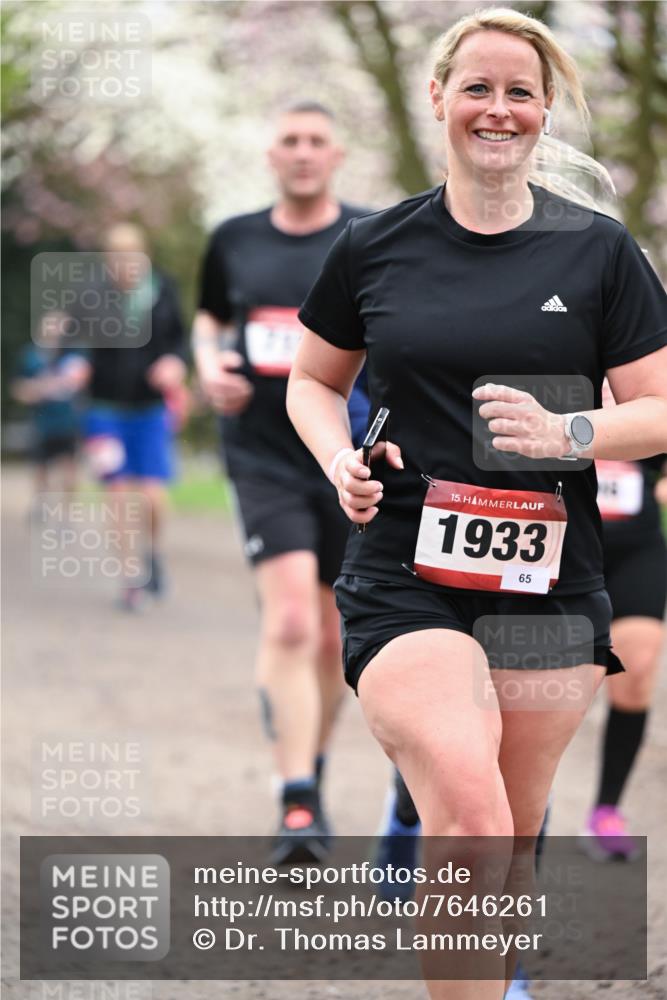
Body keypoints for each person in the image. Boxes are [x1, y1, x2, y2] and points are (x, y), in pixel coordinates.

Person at [286, 8, 667, 999]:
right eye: (478, 88)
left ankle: (496, 975)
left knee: (513, 823)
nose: (497, 109)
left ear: (546, 111)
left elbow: (660, 407)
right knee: (469, 807)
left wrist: (568, 434)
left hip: (547, 582)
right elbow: (312, 381)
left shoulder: (598, 252)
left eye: (519, 91)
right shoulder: (377, 245)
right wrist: (336, 460)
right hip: (404, 569)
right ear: (438, 98)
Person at [192, 102, 369, 864]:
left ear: (337, 155)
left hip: (344, 455)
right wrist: (208, 366)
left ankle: (311, 763)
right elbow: (206, 320)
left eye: (315, 142)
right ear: (270, 153)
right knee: (292, 618)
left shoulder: (369, 238)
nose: (302, 153)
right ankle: (296, 801)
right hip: (261, 453)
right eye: (289, 141)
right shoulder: (233, 238)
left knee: (332, 634)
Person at [76, 223, 188, 610]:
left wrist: (175, 362)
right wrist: (75, 363)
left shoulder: (162, 290)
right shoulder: (91, 294)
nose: (124, 263)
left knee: (153, 496)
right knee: (118, 494)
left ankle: (153, 552)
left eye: (131, 254)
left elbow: (180, 339)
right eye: (116, 255)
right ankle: (130, 577)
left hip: (149, 409)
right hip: (103, 411)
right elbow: (72, 339)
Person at [581, 380, 667, 860]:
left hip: (635, 546)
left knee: (636, 669)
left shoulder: (652, 356)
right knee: (540, 687)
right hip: (562, 546)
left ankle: (606, 811)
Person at [11, 311, 87, 499]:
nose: (56, 330)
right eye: (52, 325)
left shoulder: (75, 354)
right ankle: (42, 503)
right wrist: (35, 390)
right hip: (41, 422)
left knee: (69, 469)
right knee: (40, 468)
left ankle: (67, 514)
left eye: (61, 326)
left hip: (69, 421)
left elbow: (82, 380)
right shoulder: (31, 355)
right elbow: (18, 388)